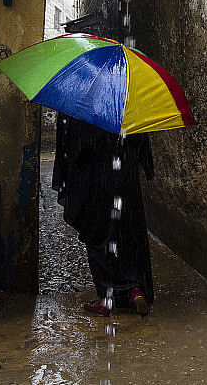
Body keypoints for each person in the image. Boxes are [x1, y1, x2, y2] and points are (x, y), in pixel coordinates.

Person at [52, 113, 155, 316]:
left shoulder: (81, 105)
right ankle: (134, 288)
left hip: (93, 178)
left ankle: (105, 298)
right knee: (128, 229)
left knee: (97, 232)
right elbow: (141, 140)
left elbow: (71, 145)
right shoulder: (127, 104)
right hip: (125, 176)